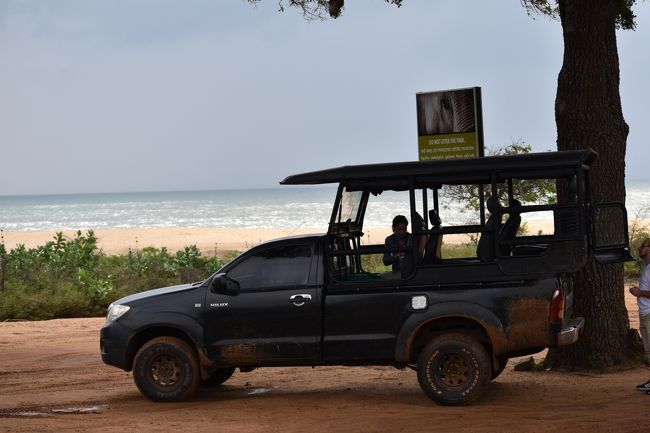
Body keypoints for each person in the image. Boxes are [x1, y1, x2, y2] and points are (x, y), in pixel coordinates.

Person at [631, 238, 650, 393]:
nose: (639, 249)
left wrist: (639, 293)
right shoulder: (646, 268)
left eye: (643, 246)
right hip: (645, 314)